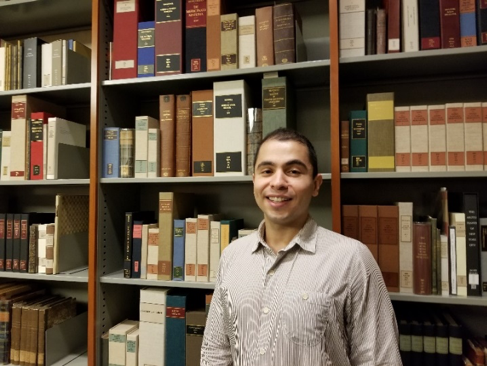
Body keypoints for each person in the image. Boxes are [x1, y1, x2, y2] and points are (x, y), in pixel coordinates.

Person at [201, 128, 402, 366]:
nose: (277, 182)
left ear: (316, 185)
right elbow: (216, 352)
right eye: (267, 171)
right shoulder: (233, 255)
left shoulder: (352, 259)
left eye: (293, 171)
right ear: (254, 181)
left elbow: (379, 361)